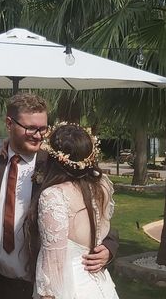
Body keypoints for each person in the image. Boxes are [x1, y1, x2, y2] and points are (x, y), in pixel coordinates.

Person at [0, 93, 118, 299]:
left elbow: (93, 206)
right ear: (9, 123)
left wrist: (109, 247)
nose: (38, 135)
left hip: (39, 285)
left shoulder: (56, 168)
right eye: (31, 128)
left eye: (43, 128)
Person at [26, 123, 119, 299]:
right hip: (100, 286)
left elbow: (54, 263)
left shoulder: (54, 195)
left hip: (70, 288)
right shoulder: (102, 185)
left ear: (55, 158)